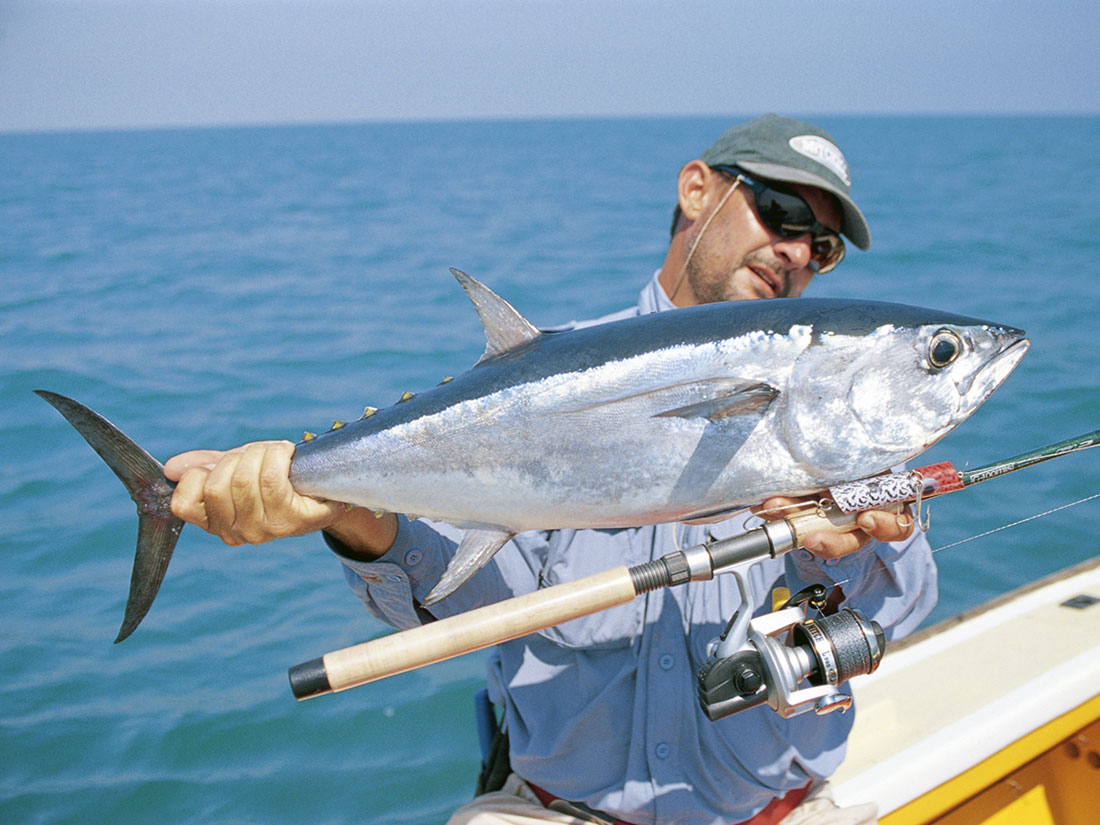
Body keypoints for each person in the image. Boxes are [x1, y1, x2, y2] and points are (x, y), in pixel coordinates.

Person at [166, 114, 936, 825]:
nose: (797, 251)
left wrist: (869, 544)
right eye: (781, 213)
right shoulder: (539, 378)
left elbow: (897, 611)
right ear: (697, 187)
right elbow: (454, 606)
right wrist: (348, 512)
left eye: (822, 246)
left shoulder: (837, 419)